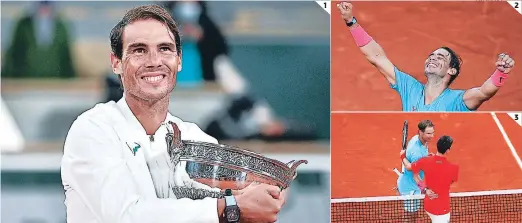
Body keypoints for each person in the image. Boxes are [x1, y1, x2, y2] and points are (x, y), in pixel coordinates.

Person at [61, 5, 290, 223]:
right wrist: (228, 207)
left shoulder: (196, 138)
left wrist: (263, 194)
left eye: (165, 49)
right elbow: (126, 216)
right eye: (139, 50)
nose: (154, 61)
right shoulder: (92, 129)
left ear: (178, 60)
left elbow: (244, 198)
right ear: (116, 63)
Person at [336, 2, 516, 112]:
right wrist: (351, 22)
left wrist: (501, 72)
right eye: (431, 56)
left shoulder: (459, 101)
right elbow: (376, 57)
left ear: (451, 70)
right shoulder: (409, 87)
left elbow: (485, 92)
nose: (432, 58)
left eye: (441, 57)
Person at [2, 1, 76, 78]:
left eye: (47, 5)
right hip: (26, 79)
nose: (44, 9)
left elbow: (66, 56)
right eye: (41, 4)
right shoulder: (24, 25)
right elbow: (15, 53)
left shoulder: (61, 26)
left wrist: (71, 79)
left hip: (55, 80)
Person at [401, 135, 459, 223]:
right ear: (447, 150)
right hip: (441, 212)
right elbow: (449, 182)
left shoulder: (425, 161)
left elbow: (414, 174)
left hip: (428, 206)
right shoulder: (454, 168)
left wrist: (402, 156)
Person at [396, 120, 435, 217]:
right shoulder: (416, 152)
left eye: (433, 133)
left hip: (410, 183)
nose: (431, 136)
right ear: (420, 132)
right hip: (411, 188)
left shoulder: (418, 139)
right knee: (410, 217)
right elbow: (415, 175)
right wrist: (425, 190)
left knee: (413, 214)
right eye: (428, 133)